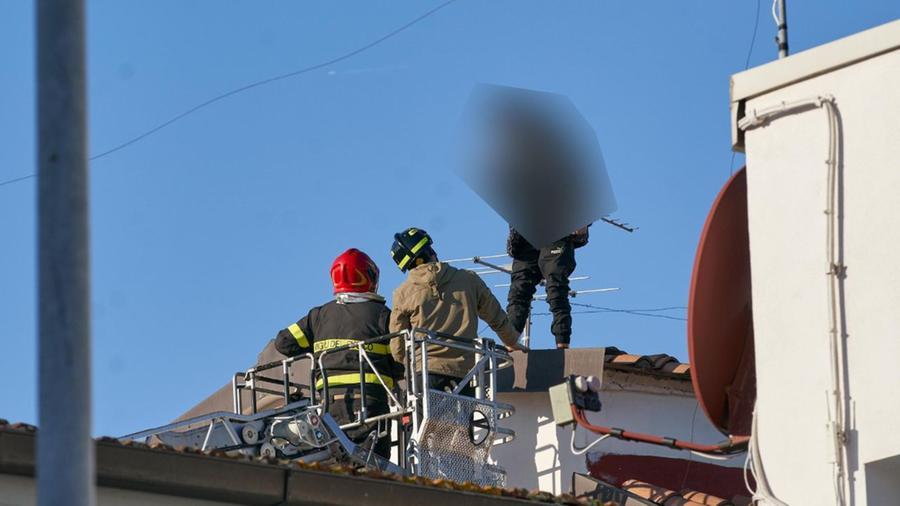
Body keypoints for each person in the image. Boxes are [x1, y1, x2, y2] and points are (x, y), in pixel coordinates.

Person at [273, 248, 396, 458]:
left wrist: (319, 345)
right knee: (374, 466)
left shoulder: (318, 316)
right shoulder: (382, 315)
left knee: (339, 464)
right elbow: (399, 358)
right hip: (370, 403)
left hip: (328, 407)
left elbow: (283, 342)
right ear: (369, 276)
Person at [387, 227, 525, 396]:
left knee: (427, 414)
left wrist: (411, 364)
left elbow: (398, 347)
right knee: (465, 414)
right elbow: (496, 316)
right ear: (430, 251)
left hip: (425, 374)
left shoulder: (402, 293)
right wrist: (511, 341)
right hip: (467, 374)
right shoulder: (469, 280)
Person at [505, 225, 590, 349]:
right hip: (525, 236)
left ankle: (562, 345)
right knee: (518, 292)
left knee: (556, 289)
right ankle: (510, 345)